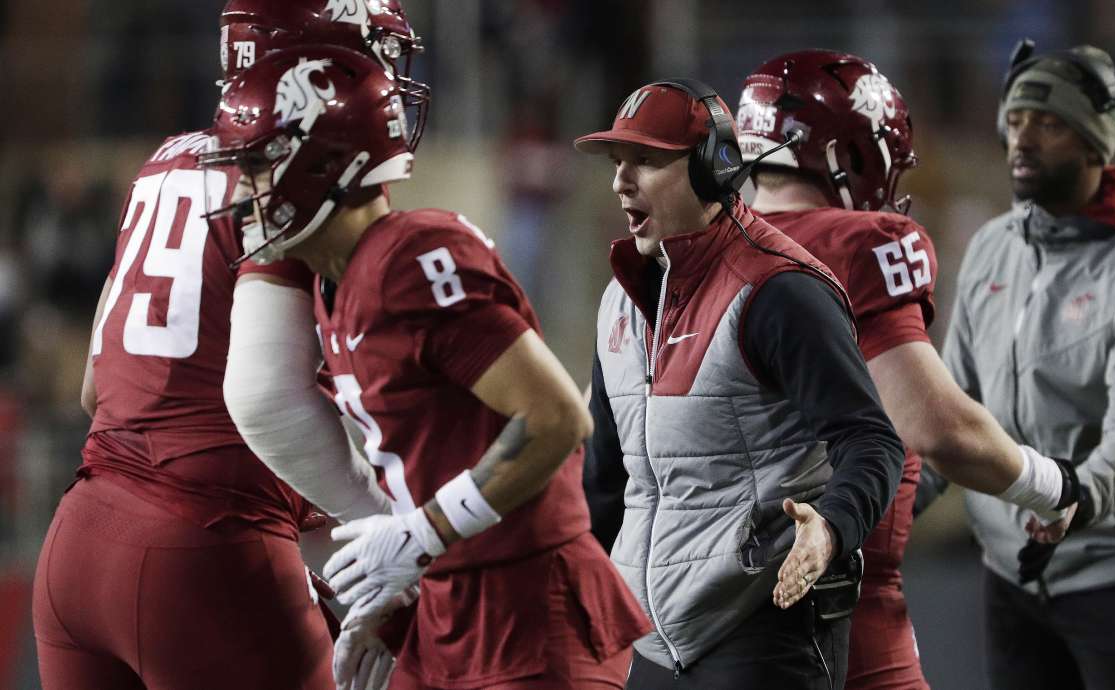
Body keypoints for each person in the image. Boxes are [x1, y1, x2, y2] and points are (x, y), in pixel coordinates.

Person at [203, 45, 651, 690]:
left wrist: (425, 535)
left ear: (328, 163)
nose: (241, 190)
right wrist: (406, 585)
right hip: (449, 601)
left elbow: (555, 417)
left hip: (526, 605)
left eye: (256, 166)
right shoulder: (335, 283)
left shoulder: (413, 258)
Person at [31, 3, 425, 689]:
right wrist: (390, 534)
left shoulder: (163, 160)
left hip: (79, 539)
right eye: (363, 54)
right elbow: (265, 400)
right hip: (205, 546)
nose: (380, 77)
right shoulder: (293, 169)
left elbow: (97, 389)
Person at [736, 50, 1084, 689]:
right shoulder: (861, 240)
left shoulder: (694, 251)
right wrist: (1048, 483)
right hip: (837, 620)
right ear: (857, 154)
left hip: (693, 620)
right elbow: (934, 426)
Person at [576, 78, 905, 690]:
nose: (622, 179)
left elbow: (872, 442)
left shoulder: (779, 291)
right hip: (648, 640)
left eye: (645, 160)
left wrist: (829, 530)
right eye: (618, 162)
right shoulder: (618, 303)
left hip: (762, 625)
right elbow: (605, 480)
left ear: (711, 169)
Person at [941, 40, 1115, 689]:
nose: (1022, 137)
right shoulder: (993, 249)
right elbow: (951, 405)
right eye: (1018, 119)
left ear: (1093, 144)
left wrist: (1079, 496)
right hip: (1011, 573)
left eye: (1049, 123)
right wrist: (888, 504)